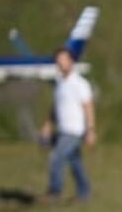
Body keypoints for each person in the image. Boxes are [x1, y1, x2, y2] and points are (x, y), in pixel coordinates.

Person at [40, 48, 95, 202]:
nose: (61, 63)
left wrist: (90, 130)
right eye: (58, 60)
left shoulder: (80, 83)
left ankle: (54, 193)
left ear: (71, 61)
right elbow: (55, 107)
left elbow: (88, 106)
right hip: (63, 128)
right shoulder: (60, 83)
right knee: (75, 162)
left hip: (74, 130)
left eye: (64, 59)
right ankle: (84, 193)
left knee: (56, 158)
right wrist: (48, 124)